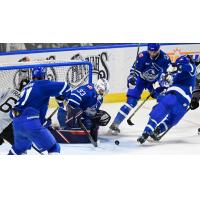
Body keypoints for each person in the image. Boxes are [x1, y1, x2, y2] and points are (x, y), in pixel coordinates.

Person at [108, 43, 172, 135]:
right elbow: (134, 70)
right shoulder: (142, 56)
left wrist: (161, 84)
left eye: (154, 52)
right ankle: (115, 124)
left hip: (154, 83)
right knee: (131, 102)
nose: (152, 53)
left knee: (162, 101)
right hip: (140, 80)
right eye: (150, 51)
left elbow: (167, 75)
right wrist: (132, 78)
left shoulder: (165, 59)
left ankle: (152, 128)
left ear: (158, 50)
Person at [8, 67, 71, 155]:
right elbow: (66, 87)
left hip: (16, 123)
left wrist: (43, 122)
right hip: (30, 122)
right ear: (44, 76)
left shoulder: (26, 87)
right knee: (54, 147)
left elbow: (13, 113)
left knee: (18, 150)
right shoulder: (43, 84)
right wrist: (61, 99)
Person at [137, 55, 196, 144]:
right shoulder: (176, 74)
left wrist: (176, 66)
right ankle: (157, 131)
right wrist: (157, 91)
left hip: (173, 96)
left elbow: (186, 67)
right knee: (171, 120)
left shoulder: (191, 68)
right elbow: (164, 86)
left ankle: (146, 132)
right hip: (183, 102)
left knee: (158, 113)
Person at [50, 78, 111, 144]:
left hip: (79, 117)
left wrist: (94, 115)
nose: (102, 94)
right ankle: (61, 126)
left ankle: (68, 126)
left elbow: (89, 112)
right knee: (69, 130)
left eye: (104, 92)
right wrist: (76, 112)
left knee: (91, 126)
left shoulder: (100, 99)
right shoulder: (87, 91)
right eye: (102, 91)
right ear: (98, 87)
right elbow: (71, 103)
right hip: (66, 114)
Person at [0, 57, 31, 145]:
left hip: (4, 124)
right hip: (5, 125)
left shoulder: (9, 90)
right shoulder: (25, 100)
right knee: (20, 146)